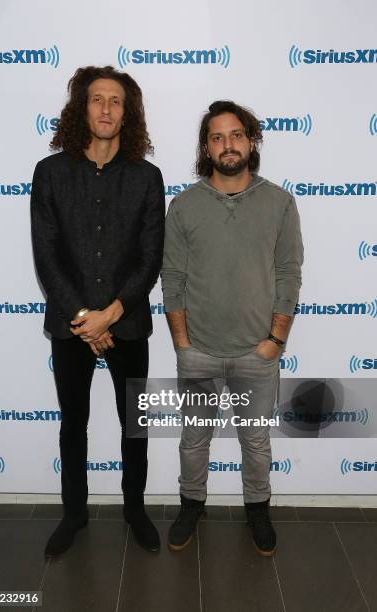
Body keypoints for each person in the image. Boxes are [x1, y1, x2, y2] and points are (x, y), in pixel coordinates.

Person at [30, 65, 165, 556]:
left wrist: (111, 313)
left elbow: (150, 257)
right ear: (81, 108)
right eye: (97, 99)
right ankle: (74, 515)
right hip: (72, 326)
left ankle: (135, 509)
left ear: (127, 114)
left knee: (135, 424)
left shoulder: (147, 177)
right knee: (74, 424)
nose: (106, 109)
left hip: (127, 322)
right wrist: (86, 319)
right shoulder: (50, 172)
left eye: (116, 102)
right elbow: (47, 254)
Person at [161, 100, 303, 555]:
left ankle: (258, 509)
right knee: (193, 438)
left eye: (236, 135)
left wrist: (275, 340)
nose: (228, 144)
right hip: (198, 349)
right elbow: (173, 279)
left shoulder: (279, 203)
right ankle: (191, 503)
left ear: (251, 140)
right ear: (207, 146)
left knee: (256, 441)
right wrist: (182, 344)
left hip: (256, 353)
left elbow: (288, 274)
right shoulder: (183, 206)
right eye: (218, 137)